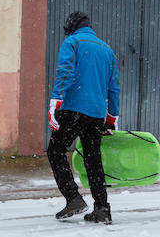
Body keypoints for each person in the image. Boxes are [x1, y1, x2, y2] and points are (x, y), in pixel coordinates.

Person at [47, 11, 121, 224]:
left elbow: (66, 72)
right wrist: (111, 116)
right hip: (96, 114)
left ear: (71, 27)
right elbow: (114, 87)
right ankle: (102, 208)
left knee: (56, 150)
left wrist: (55, 102)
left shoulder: (73, 42)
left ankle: (73, 198)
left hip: (72, 109)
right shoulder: (107, 50)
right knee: (92, 158)